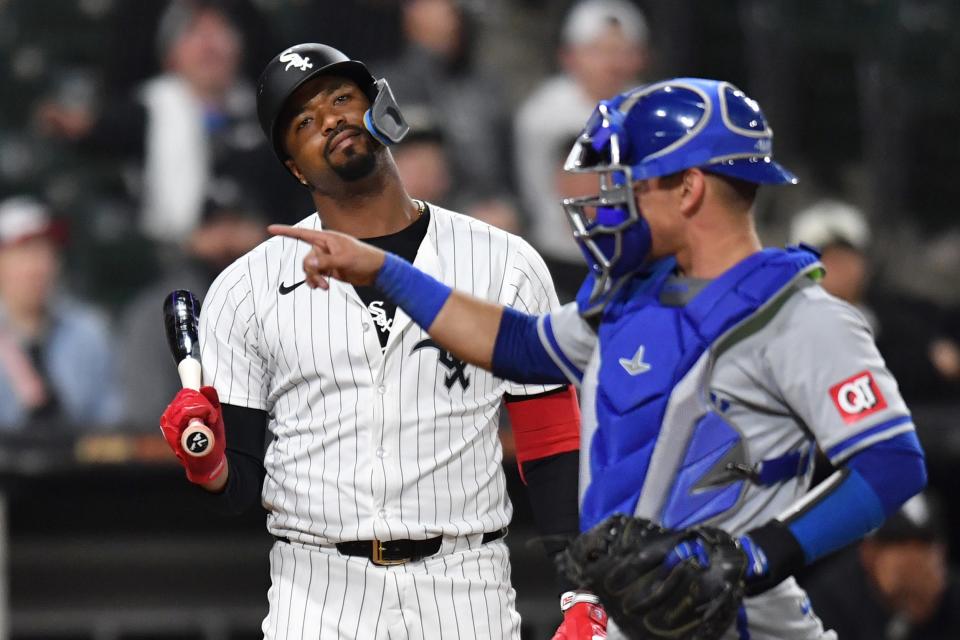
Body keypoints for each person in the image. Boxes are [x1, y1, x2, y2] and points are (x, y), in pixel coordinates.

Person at [270, 78, 928, 639]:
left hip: (739, 622)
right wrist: (384, 270)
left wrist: (756, 555)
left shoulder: (801, 319)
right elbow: (520, 347)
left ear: (690, 188)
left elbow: (891, 463)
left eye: (631, 181)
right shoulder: (631, 295)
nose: (615, 200)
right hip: (623, 614)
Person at [157, 43, 584, 639]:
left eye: (341, 99)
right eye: (304, 121)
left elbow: (553, 442)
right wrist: (207, 466)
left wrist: (581, 590)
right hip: (318, 590)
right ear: (295, 168)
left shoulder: (503, 262)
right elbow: (238, 490)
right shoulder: (247, 286)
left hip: (465, 585)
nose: (330, 119)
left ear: (380, 109)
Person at [514, 0, 649, 300]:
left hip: (635, 258)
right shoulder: (542, 114)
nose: (612, 63)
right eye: (599, 51)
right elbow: (534, 193)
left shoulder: (651, 111)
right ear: (569, 56)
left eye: (622, 51)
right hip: (559, 255)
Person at [790, 199, 960, 405]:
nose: (840, 269)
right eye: (829, 259)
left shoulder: (904, 318)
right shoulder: (784, 327)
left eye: (848, 257)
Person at [118, 196, 267, 429]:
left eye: (236, 224)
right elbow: (145, 414)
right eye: (214, 226)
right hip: (179, 455)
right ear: (192, 236)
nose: (226, 238)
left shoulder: (280, 303)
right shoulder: (156, 311)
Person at [0, 196, 122, 431]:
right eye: (24, 252)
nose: (38, 266)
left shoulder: (88, 331)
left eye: (47, 251)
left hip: (80, 464)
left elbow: (111, 420)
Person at [802, 490, 960, 639]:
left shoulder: (950, 599)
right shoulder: (829, 602)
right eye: (902, 547)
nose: (920, 565)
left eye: (927, 549)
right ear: (869, 553)